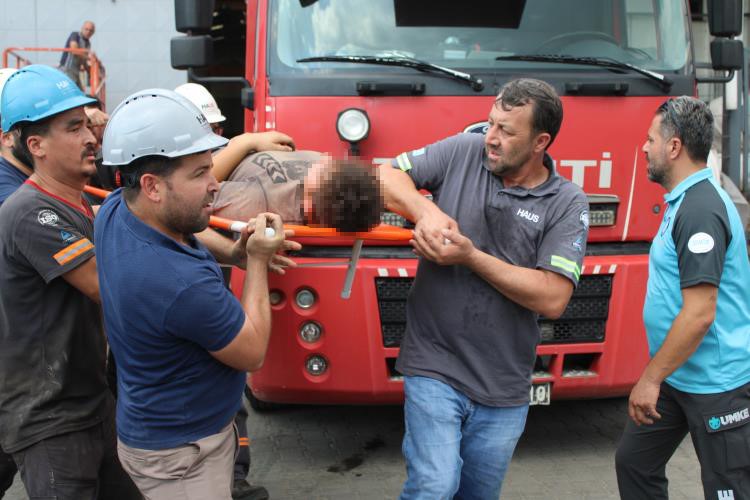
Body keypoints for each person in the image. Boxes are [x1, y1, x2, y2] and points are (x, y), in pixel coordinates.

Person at [378, 78, 589, 499]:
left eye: (506, 131)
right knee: (435, 486)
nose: (490, 138)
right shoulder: (463, 150)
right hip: (433, 365)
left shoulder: (567, 202)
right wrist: (426, 211)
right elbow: (384, 174)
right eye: (491, 123)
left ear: (539, 142)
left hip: (504, 386)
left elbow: (553, 297)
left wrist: (470, 257)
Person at [95, 88, 291, 499]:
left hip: (156, 432)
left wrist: (232, 254)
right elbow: (252, 350)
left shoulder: (117, 211)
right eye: (200, 173)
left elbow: (183, 230)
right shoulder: (179, 285)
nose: (215, 184)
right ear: (152, 186)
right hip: (184, 457)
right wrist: (255, 262)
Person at [0, 64, 141, 499]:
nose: (91, 138)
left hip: (89, 402)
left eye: (88, 124)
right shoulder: (31, 212)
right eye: (74, 127)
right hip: (52, 419)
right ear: (36, 145)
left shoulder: (72, 201)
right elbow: (109, 287)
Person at [615, 96, 750, 500]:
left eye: (650, 139)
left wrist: (649, 378)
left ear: (674, 147)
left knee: (727, 490)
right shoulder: (682, 202)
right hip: (677, 375)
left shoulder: (700, 210)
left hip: (716, 384)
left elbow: (699, 314)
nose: (644, 147)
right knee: (634, 463)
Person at [60, 20, 96, 89]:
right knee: (72, 91)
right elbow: (74, 50)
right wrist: (89, 58)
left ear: (93, 32)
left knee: (79, 92)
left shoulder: (88, 44)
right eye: (86, 29)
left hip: (75, 71)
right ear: (82, 28)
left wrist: (92, 72)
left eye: (91, 30)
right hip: (67, 69)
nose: (88, 32)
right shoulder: (75, 35)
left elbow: (83, 60)